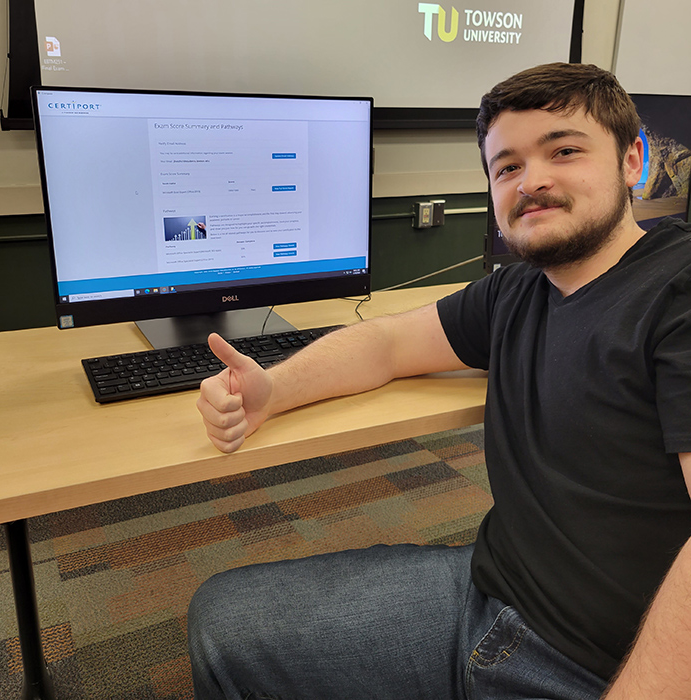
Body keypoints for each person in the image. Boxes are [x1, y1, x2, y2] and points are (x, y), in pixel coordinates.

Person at [188, 63, 691, 700]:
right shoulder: (517, 290)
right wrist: (273, 391)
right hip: (491, 596)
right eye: (506, 166)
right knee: (221, 623)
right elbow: (387, 342)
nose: (531, 181)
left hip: (599, 666)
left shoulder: (676, 291)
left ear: (632, 159)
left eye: (564, 151)